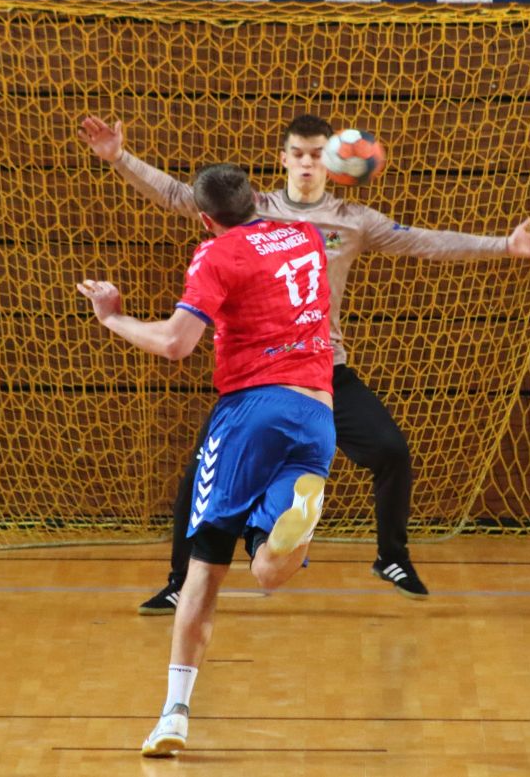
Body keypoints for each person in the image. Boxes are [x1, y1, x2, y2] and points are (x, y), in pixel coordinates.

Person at [78, 113, 530, 608]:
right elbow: (181, 195)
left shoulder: (354, 220)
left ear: (332, 162)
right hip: (262, 375)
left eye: (316, 154)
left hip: (324, 370)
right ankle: (181, 582)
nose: (307, 163)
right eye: (298, 153)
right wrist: (119, 157)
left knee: (390, 450)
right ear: (283, 159)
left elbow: (425, 240)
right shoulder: (254, 210)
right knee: (197, 476)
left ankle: (391, 556)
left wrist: (504, 245)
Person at [77, 163, 335, 757]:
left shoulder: (217, 254)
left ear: (203, 218)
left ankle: (174, 714)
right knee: (267, 571)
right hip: (318, 413)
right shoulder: (306, 236)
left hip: (252, 411)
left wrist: (113, 317)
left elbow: (176, 343)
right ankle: (298, 522)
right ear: (256, 197)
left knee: (205, 567)